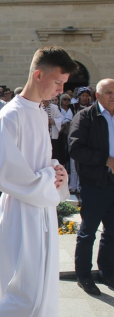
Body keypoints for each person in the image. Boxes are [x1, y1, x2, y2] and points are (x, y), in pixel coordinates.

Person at [0, 46, 76, 317]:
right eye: (58, 82)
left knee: (41, 286)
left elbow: (35, 161)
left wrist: (56, 171)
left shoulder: (40, 111)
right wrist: (50, 177)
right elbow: (1, 170)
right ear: (38, 75)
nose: (62, 89)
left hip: (42, 207)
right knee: (27, 291)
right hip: (22, 210)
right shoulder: (12, 114)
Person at [69, 78, 114, 296]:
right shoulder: (86, 116)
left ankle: (107, 271)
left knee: (112, 232)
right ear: (97, 95)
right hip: (95, 182)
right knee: (88, 232)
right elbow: (76, 149)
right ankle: (84, 275)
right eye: (109, 92)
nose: (113, 96)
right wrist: (105, 160)